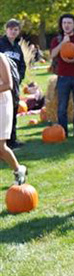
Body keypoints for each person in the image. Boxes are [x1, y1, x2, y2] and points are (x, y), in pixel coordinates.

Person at [50, 13, 74, 139]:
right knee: (62, 107)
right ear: (61, 25)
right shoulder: (57, 39)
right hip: (63, 77)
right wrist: (63, 43)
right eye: (64, 23)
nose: (66, 25)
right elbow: (52, 55)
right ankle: (63, 133)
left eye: (69, 23)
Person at [0, 52, 26, 185]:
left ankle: (18, 170)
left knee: (1, 147)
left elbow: (8, 84)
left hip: (2, 103)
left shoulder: (0, 57)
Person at [0, 19, 25, 149]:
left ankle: (12, 140)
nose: (13, 32)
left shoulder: (17, 47)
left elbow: (22, 65)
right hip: (2, 83)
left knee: (12, 111)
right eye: (11, 29)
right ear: (6, 29)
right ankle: (3, 142)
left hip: (14, 84)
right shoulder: (1, 44)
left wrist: (19, 78)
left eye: (16, 29)